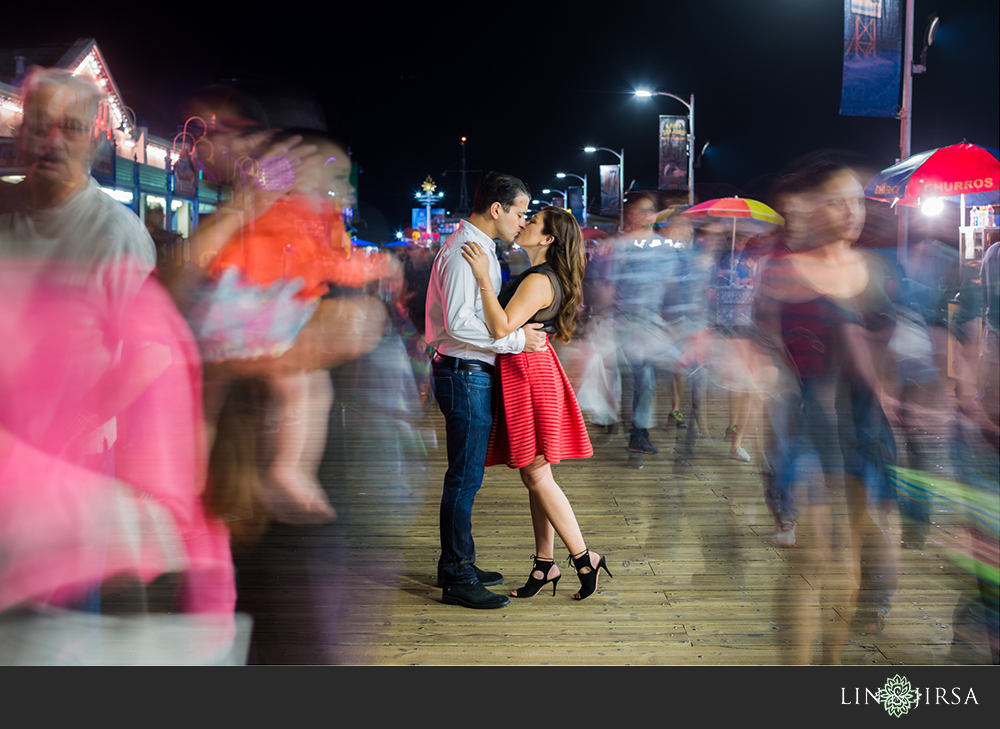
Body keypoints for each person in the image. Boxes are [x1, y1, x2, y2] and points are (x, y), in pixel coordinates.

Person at [462, 205, 608, 600]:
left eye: (533, 221)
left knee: (538, 474)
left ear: (547, 239)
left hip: (528, 375)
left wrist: (482, 280)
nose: (523, 223)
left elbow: (499, 327)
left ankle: (583, 557)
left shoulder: (539, 280)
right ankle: (545, 564)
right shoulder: (542, 277)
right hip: (530, 371)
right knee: (535, 475)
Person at [425, 171, 547, 609]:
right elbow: (459, 324)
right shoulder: (465, 251)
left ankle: (459, 562)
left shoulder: (479, 248)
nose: (522, 220)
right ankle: (457, 574)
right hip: (463, 372)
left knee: (467, 477)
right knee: (463, 478)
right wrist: (518, 341)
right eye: (519, 211)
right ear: (497, 209)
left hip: (467, 371)